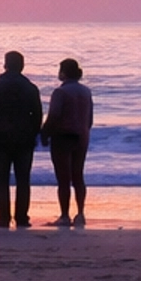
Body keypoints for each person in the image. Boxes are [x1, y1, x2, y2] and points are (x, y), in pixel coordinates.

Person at [0, 51, 44, 229]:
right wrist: (34, 134)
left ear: (5, 65)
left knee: (1, 180)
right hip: (24, 137)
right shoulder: (30, 88)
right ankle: (22, 218)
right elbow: (38, 114)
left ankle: (3, 218)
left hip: (0, 136)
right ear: (22, 66)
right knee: (23, 179)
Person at [42, 57, 94, 226]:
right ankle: (80, 213)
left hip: (63, 137)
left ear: (63, 73)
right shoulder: (86, 91)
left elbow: (54, 115)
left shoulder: (60, 92)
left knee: (63, 178)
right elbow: (90, 119)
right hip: (82, 136)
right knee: (78, 176)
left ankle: (65, 215)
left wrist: (45, 133)